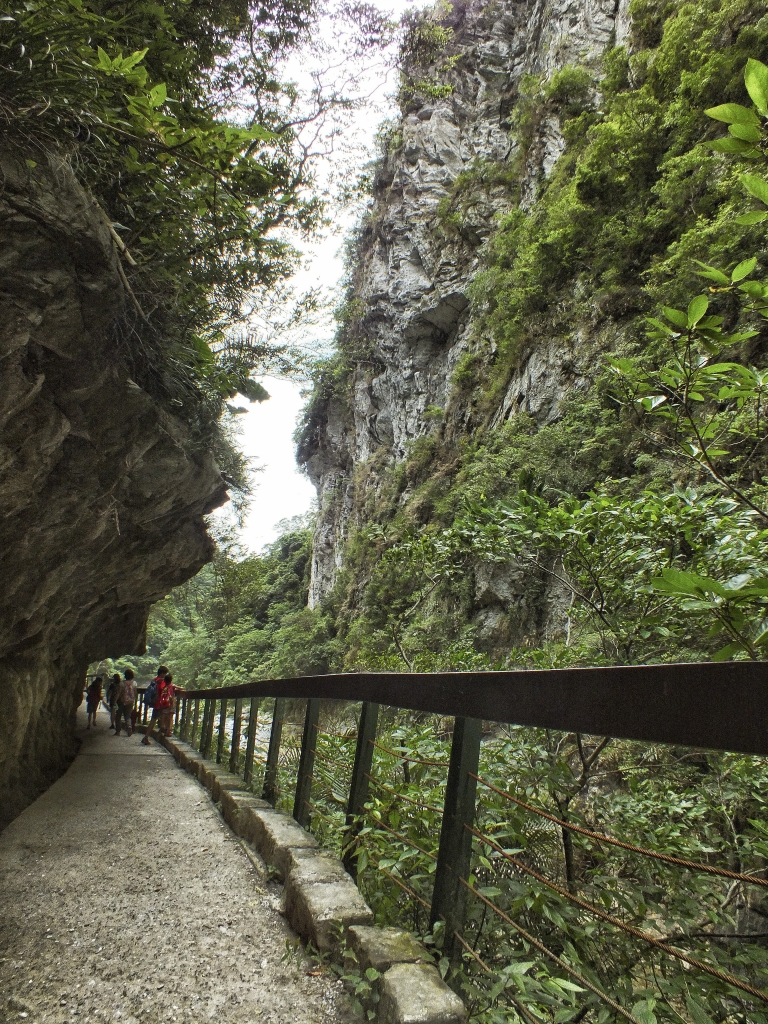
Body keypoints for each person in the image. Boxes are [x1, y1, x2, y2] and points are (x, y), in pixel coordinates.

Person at [141, 666, 173, 746]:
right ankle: (147, 737)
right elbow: (165, 690)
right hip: (159, 704)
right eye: (165, 674)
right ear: (162, 673)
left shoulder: (154, 680)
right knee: (158, 719)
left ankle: (150, 736)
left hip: (155, 703)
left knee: (155, 719)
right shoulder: (161, 682)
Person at [114, 670, 136, 736]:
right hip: (130, 701)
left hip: (122, 701)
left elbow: (118, 693)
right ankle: (129, 726)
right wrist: (135, 700)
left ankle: (118, 731)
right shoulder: (134, 683)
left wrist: (115, 701)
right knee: (128, 716)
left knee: (118, 716)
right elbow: (135, 692)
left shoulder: (122, 683)